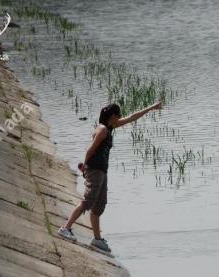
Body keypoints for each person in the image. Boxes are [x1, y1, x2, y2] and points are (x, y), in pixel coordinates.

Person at [57, 101, 163, 252]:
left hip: (102, 171)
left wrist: (152, 107)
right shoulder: (102, 130)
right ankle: (65, 228)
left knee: (99, 205)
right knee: (88, 201)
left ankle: (97, 239)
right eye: (118, 115)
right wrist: (85, 168)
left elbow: (133, 117)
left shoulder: (109, 127)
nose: (120, 118)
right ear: (112, 116)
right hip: (94, 170)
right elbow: (90, 150)